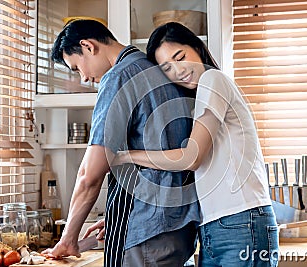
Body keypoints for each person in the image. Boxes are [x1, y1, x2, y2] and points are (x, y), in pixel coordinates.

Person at [113, 22, 279, 267]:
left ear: (197, 47)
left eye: (180, 57)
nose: (178, 71)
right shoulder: (201, 95)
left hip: (242, 221)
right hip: (215, 226)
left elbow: (191, 158)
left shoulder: (214, 79)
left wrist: (127, 156)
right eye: (167, 68)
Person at [41, 19, 200, 267]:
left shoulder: (118, 77)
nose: (83, 78)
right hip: (179, 227)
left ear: (87, 46)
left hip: (146, 230)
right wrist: (118, 216)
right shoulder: (155, 68)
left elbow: (89, 175)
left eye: (76, 67)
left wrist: (68, 238)